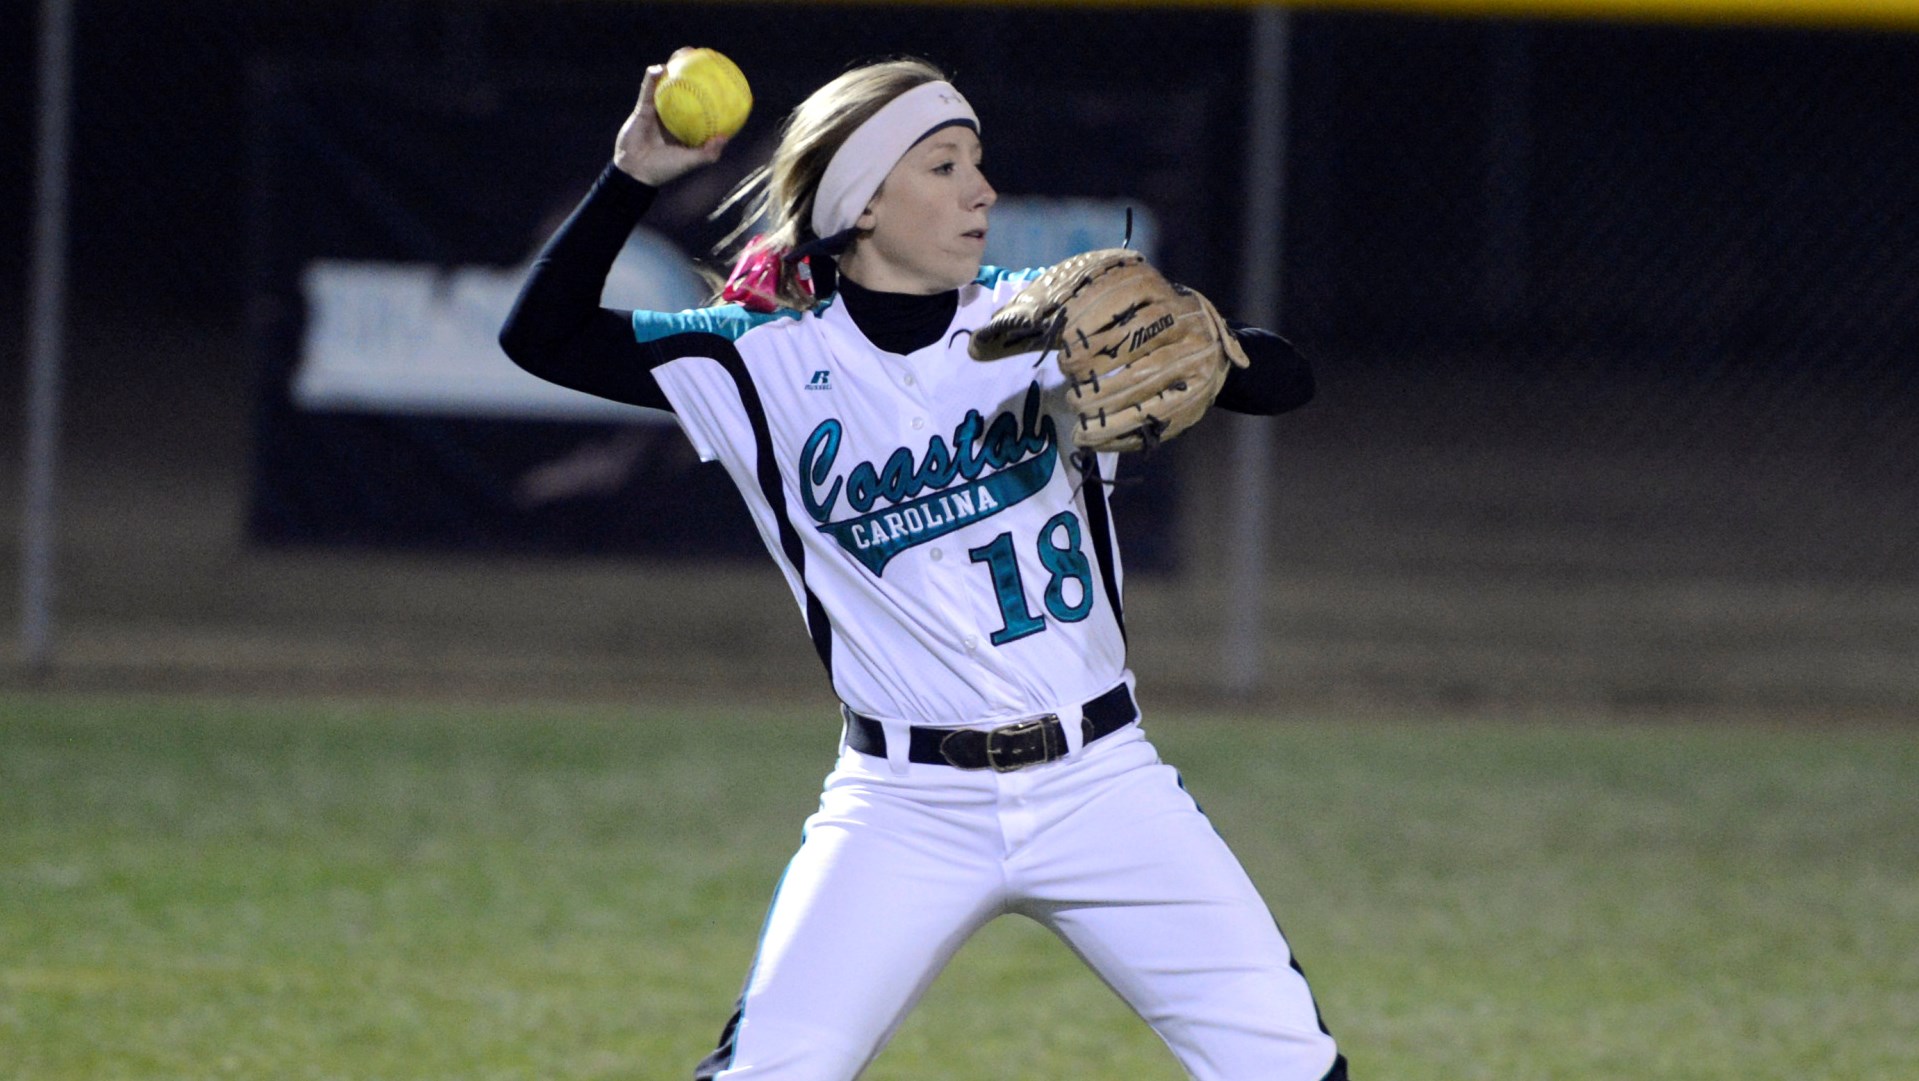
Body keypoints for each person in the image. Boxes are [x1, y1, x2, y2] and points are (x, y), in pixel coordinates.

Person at [499, 51, 1346, 1081]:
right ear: (860, 202)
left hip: (1103, 783)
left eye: (976, 162)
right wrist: (634, 172)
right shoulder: (755, 359)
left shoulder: (1039, 323)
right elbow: (538, 335)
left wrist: (1218, 347)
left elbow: (1284, 382)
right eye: (942, 164)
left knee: (1289, 1069)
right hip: (900, 806)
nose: (979, 188)